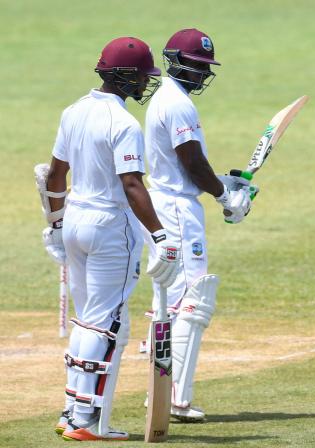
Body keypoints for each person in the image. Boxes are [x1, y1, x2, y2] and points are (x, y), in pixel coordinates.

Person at [41, 36, 181, 441]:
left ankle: (72, 410)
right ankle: (85, 420)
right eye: (140, 78)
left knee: (87, 319)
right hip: (109, 227)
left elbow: (54, 176)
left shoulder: (74, 111)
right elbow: (133, 185)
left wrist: (54, 225)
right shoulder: (123, 123)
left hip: (76, 220)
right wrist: (160, 235)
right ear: (123, 77)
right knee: (106, 322)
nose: (144, 85)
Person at [141, 28, 255, 422]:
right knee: (193, 299)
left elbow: (187, 165)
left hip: (168, 202)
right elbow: (191, 162)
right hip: (177, 210)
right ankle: (174, 397)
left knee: (170, 302)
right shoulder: (178, 105)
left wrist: (224, 180)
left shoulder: (168, 99)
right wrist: (225, 196)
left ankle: (158, 392)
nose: (201, 73)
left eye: (205, 67)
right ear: (175, 61)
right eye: (195, 65)